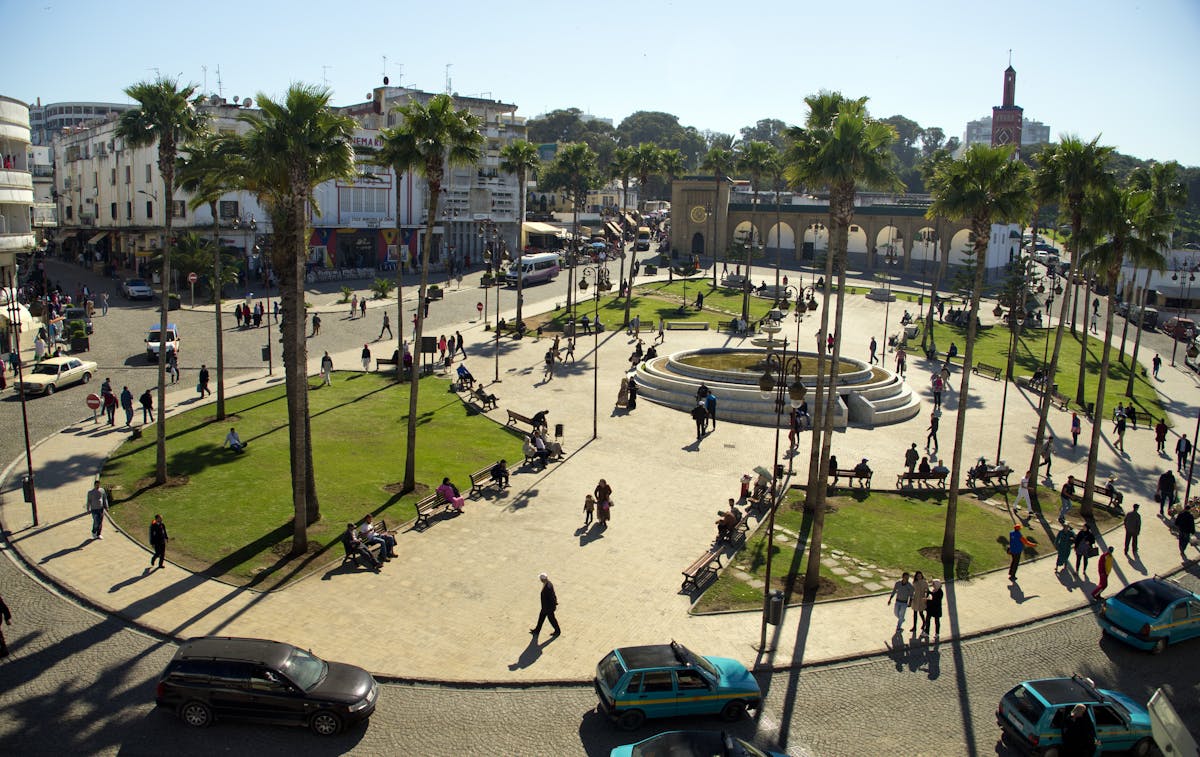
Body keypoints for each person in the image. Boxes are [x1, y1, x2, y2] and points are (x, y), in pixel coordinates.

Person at [530, 573, 561, 637]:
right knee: (541, 618)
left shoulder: (548, 587)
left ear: (542, 580)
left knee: (552, 619)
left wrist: (554, 605)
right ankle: (537, 630)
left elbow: (551, 597)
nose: (540, 580)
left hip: (548, 608)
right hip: (545, 607)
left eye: (540, 579)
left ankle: (558, 631)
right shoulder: (548, 583)